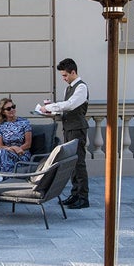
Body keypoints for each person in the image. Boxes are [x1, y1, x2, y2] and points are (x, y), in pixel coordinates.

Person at [38, 58, 89, 209]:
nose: (64, 78)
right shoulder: (69, 88)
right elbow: (66, 109)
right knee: (71, 162)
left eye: (65, 75)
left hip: (77, 129)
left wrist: (51, 107)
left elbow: (71, 105)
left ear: (73, 72)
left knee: (79, 162)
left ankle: (83, 197)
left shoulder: (81, 87)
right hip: (69, 128)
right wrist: (52, 113)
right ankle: (75, 194)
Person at [0, 98, 32, 173]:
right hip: (7, 152)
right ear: (3, 112)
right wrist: (13, 148)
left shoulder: (24, 123)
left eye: (13, 107)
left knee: (2, 154)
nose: (12, 109)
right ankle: (1, 177)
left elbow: (28, 144)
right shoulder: (1, 126)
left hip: (22, 153)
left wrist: (17, 149)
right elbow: (0, 146)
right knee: (3, 152)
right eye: (8, 108)